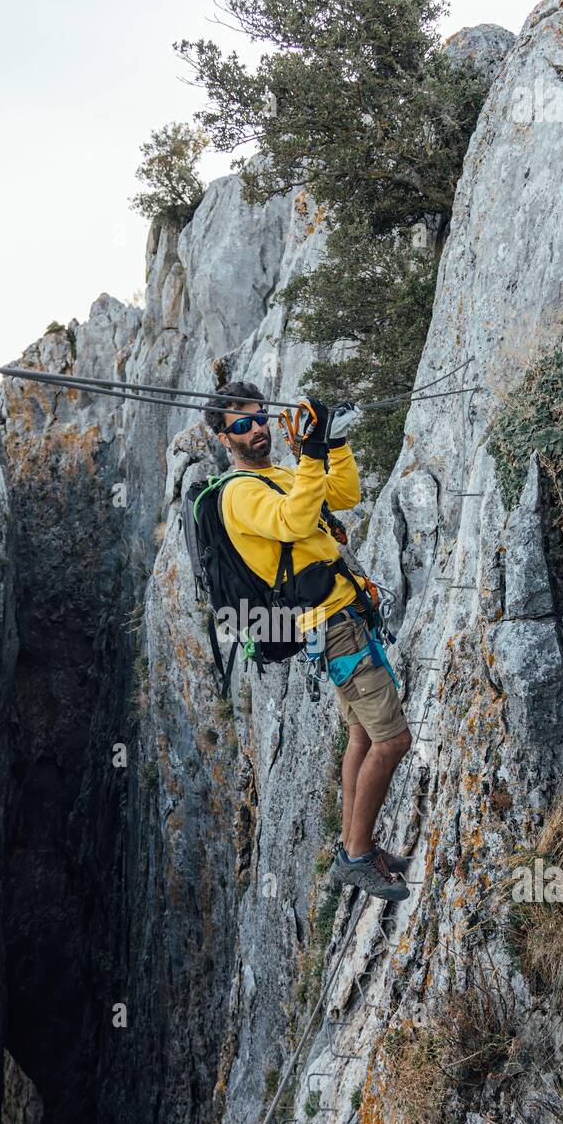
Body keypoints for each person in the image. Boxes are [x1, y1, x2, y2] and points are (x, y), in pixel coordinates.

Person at [204, 381, 413, 903]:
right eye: (241, 426)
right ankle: (359, 859)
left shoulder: (277, 474)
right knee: (393, 741)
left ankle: (352, 847)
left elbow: (342, 496)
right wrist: (314, 452)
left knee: (364, 737)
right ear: (224, 439)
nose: (256, 430)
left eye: (259, 418)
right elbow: (294, 521)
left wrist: (333, 446)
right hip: (331, 625)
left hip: (343, 616)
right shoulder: (240, 493)